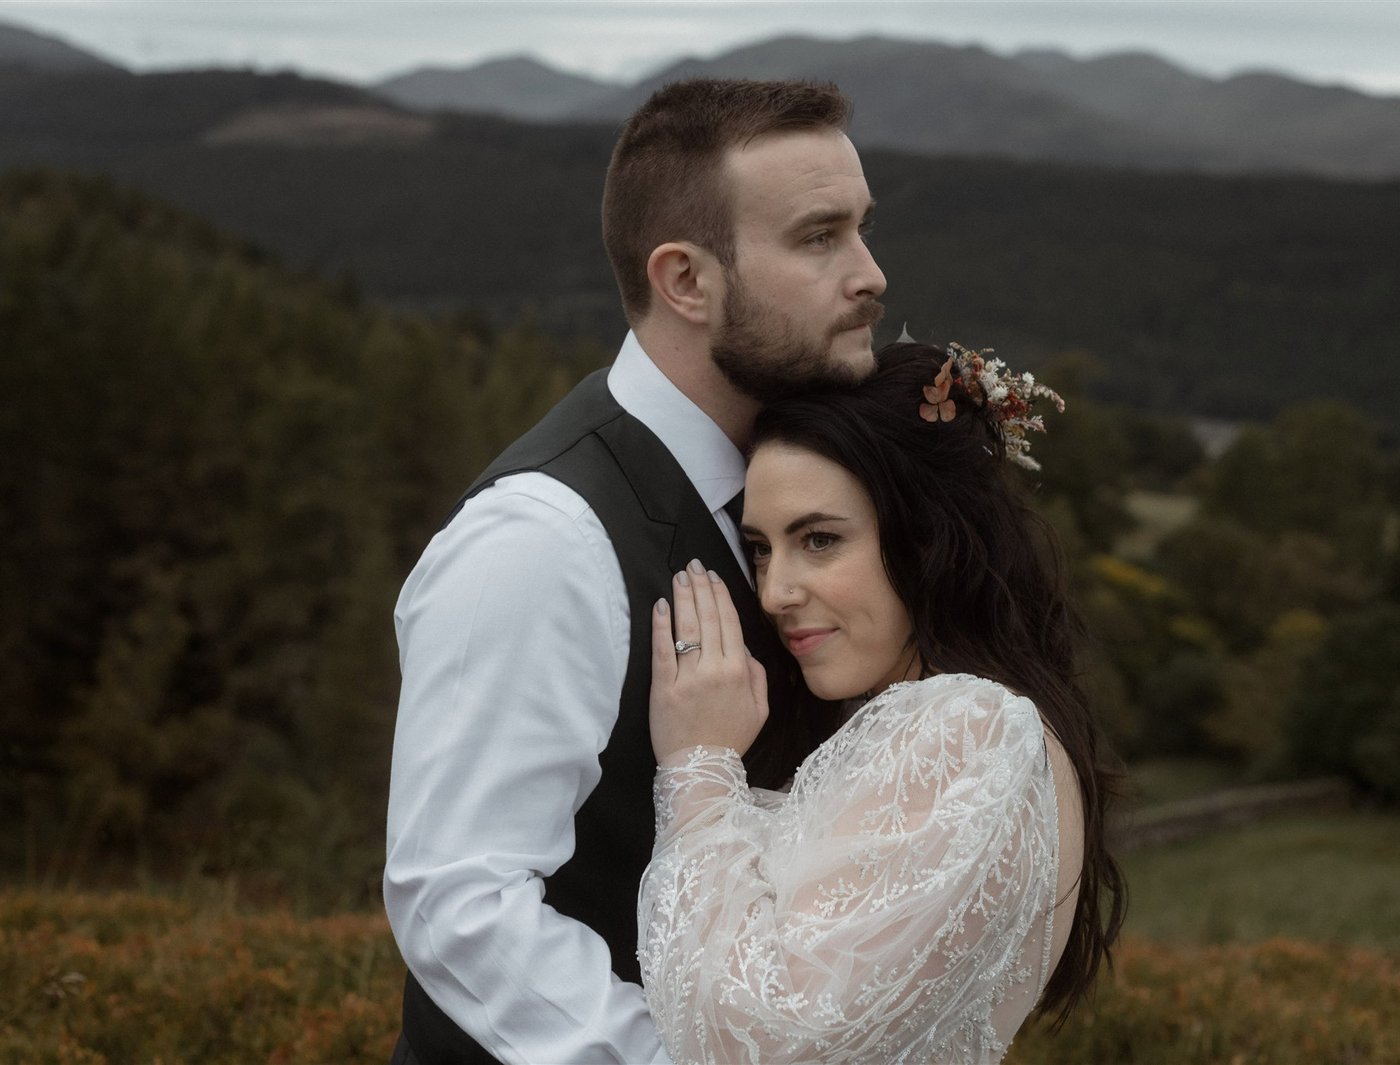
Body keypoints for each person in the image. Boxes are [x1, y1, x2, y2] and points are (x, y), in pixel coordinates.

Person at [383, 78, 886, 1064]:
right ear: (686, 280)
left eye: (862, 229)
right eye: (820, 237)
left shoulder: (802, 485)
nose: (870, 274)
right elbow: (460, 901)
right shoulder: (540, 541)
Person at [637, 342, 1127, 1063]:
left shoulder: (970, 729)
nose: (775, 592)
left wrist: (698, 767)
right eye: (761, 548)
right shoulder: (957, 724)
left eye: (819, 539)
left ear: (927, 538)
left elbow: (761, 1038)